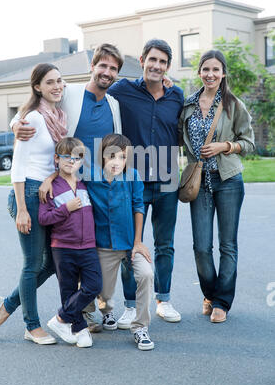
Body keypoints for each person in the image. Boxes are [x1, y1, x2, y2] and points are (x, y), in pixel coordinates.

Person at [10, 44, 124, 332]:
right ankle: (78, 313)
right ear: (92, 66)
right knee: (66, 250)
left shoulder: (114, 103)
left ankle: (100, 304)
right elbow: (33, 109)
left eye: (113, 68)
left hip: (99, 186)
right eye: (102, 66)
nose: (106, 72)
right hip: (67, 185)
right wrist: (15, 123)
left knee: (97, 246)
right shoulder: (69, 92)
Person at [0, 63, 68, 344]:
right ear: (37, 87)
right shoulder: (32, 118)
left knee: (51, 263)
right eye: (50, 82)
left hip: (46, 192)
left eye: (59, 81)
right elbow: (18, 166)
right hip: (28, 194)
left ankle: (8, 305)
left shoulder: (58, 116)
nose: (57, 86)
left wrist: (53, 176)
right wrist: (22, 208)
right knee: (33, 263)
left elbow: (56, 159)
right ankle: (31, 325)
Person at [108, 39, 184, 328]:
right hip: (132, 181)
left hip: (167, 181)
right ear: (142, 60)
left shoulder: (176, 95)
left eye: (162, 62)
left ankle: (163, 299)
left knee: (165, 244)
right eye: (152, 59)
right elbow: (92, 94)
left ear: (167, 67)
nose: (157, 65)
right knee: (130, 243)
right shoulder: (122, 90)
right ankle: (130, 305)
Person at [178, 49, 255, 323]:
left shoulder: (234, 105)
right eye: (206, 69)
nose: (210, 74)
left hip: (228, 181)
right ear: (199, 72)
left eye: (216, 70)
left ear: (223, 74)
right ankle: (210, 293)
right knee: (201, 247)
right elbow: (177, 139)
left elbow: (249, 143)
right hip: (199, 184)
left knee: (227, 245)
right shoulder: (187, 105)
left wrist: (225, 145)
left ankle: (222, 302)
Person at [85, 133, 154, 350]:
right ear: (102, 157)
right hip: (104, 244)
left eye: (123, 157)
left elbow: (138, 207)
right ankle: (106, 312)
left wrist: (138, 242)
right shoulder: (90, 178)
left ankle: (140, 327)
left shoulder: (133, 176)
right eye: (112, 156)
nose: (117, 162)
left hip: (131, 244)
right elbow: (65, 177)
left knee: (146, 274)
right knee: (103, 291)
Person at [38, 137, 102, 347]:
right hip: (63, 247)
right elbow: (43, 218)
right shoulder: (51, 187)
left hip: (88, 247)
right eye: (67, 157)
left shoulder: (84, 185)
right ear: (57, 159)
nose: (72, 161)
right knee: (68, 290)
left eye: (77, 158)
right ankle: (79, 328)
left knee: (93, 286)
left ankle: (60, 319)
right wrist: (66, 209)